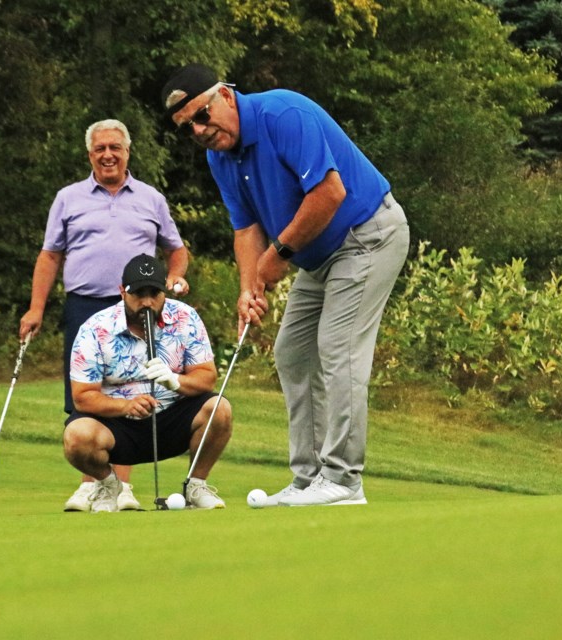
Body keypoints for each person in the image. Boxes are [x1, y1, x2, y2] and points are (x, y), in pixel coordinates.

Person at [161, 64, 409, 506]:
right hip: (317, 257)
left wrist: (275, 259)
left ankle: (344, 481)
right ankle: (309, 479)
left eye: (202, 114)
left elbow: (329, 194)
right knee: (292, 352)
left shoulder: (284, 114)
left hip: (368, 234)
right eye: (188, 128)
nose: (199, 130)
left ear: (226, 96)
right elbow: (245, 228)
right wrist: (248, 286)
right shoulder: (219, 156)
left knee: (338, 347)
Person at [19, 119, 190, 512]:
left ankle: (122, 488)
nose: (108, 155)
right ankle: (95, 482)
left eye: (116, 147)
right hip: (84, 305)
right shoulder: (68, 198)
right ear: (90, 154)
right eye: (100, 149)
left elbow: (176, 250)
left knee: (130, 389)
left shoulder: (151, 199)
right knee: (85, 395)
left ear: (128, 151)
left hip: (137, 306)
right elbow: (50, 256)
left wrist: (175, 278)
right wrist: (35, 308)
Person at [63, 253, 231, 512]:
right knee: (77, 436)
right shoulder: (96, 328)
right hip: (117, 427)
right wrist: (125, 406)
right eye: (139, 294)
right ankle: (108, 485)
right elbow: (83, 396)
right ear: (122, 291)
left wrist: (175, 381)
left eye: (155, 293)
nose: (147, 302)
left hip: (171, 421)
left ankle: (196, 486)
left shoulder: (185, 317)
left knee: (219, 408)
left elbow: (206, 377)